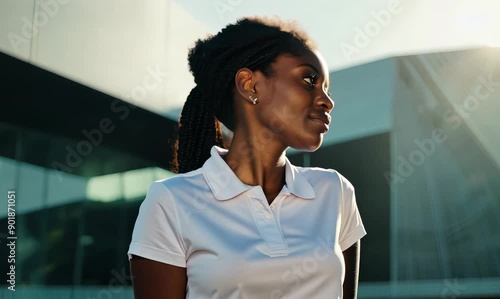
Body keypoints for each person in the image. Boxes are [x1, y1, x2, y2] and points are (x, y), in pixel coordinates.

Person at [127, 16, 366, 299]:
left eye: (326, 88)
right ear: (249, 85)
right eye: (309, 80)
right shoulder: (170, 202)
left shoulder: (335, 192)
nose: (327, 101)